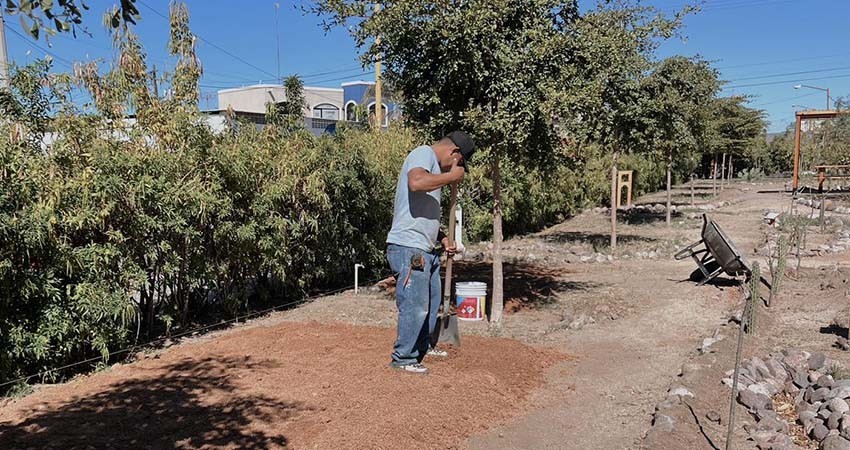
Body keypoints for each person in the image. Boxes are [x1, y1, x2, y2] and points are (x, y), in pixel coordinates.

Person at [386, 131, 476, 374]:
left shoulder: (432, 167)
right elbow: (415, 183)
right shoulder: (423, 154)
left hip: (426, 248)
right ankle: (404, 358)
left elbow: (420, 214)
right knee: (415, 305)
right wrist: (450, 176)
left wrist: (443, 237)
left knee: (433, 299)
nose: (456, 168)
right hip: (409, 247)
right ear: (454, 153)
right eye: (459, 163)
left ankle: (423, 346)